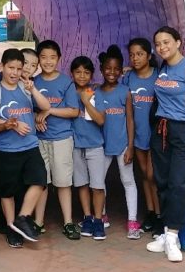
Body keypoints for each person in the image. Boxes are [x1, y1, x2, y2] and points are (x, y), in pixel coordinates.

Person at [146, 26, 185, 264]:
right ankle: (166, 231)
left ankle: (172, 236)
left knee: (179, 183)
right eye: (158, 43)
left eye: (166, 42)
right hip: (162, 130)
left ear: (178, 42)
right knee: (162, 182)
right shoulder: (163, 68)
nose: (162, 47)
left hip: (184, 130)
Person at [0, 48, 51, 246]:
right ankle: (11, 229)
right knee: (7, 192)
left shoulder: (26, 87)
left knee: (40, 180)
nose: (15, 72)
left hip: (30, 145)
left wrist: (33, 89)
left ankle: (22, 217)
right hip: (6, 149)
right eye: (11, 68)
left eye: (19, 68)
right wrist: (11, 124)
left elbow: (46, 106)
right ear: (2, 66)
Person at [86, 45, 140, 239]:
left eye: (117, 69)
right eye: (108, 68)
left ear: (121, 71)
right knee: (99, 182)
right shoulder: (95, 92)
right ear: (101, 69)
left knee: (128, 181)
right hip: (101, 145)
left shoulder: (125, 91)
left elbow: (130, 120)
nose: (112, 72)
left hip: (123, 145)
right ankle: (102, 215)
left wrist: (130, 147)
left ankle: (132, 221)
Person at [32, 39, 81, 239]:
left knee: (63, 182)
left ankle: (68, 222)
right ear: (38, 59)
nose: (48, 61)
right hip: (39, 139)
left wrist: (49, 110)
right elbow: (28, 109)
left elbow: (74, 111)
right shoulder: (33, 82)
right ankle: (38, 222)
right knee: (41, 182)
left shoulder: (66, 82)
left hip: (61, 139)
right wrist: (35, 118)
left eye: (52, 57)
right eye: (43, 57)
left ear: (59, 59)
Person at [125, 37, 161, 234]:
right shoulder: (128, 78)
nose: (135, 58)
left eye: (139, 54)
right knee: (144, 176)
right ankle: (150, 212)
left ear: (149, 55)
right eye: (132, 55)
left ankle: (160, 215)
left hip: (155, 134)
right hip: (138, 134)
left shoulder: (159, 75)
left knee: (152, 175)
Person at [70, 56, 107, 240]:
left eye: (86, 72)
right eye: (78, 72)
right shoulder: (69, 92)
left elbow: (100, 120)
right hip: (76, 146)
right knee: (82, 184)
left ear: (92, 74)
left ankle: (98, 220)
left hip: (95, 146)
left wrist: (85, 101)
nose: (82, 76)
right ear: (72, 73)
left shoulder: (96, 93)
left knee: (97, 186)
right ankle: (87, 217)